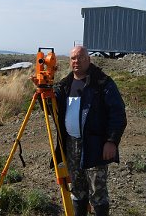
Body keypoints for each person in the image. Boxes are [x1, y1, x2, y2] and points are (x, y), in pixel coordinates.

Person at [54, 46, 127, 216]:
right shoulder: (65, 85)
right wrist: (44, 91)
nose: (76, 61)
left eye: (80, 57)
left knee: (98, 193)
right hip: (72, 145)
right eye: (73, 58)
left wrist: (111, 141)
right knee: (78, 190)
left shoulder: (102, 82)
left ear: (88, 59)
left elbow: (118, 114)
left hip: (95, 145)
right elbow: (52, 110)